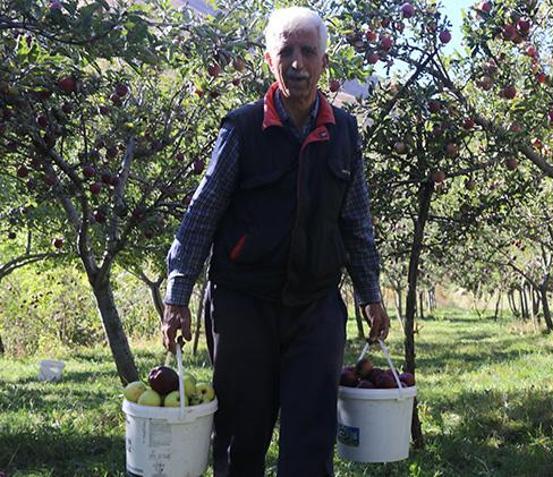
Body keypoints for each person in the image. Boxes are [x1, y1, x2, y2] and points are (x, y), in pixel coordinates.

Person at [160, 6, 390, 476]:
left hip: (315, 305)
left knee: (311, 438)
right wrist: (178, 292)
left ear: (324, 62)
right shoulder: (243, 129)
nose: (298, 63)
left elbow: (355, 220)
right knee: (241, 438)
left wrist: (370, 294)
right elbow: (203, 213)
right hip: (245, 303)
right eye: (287, 51)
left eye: (308, 51)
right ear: (270, 60)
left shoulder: (343, 131)